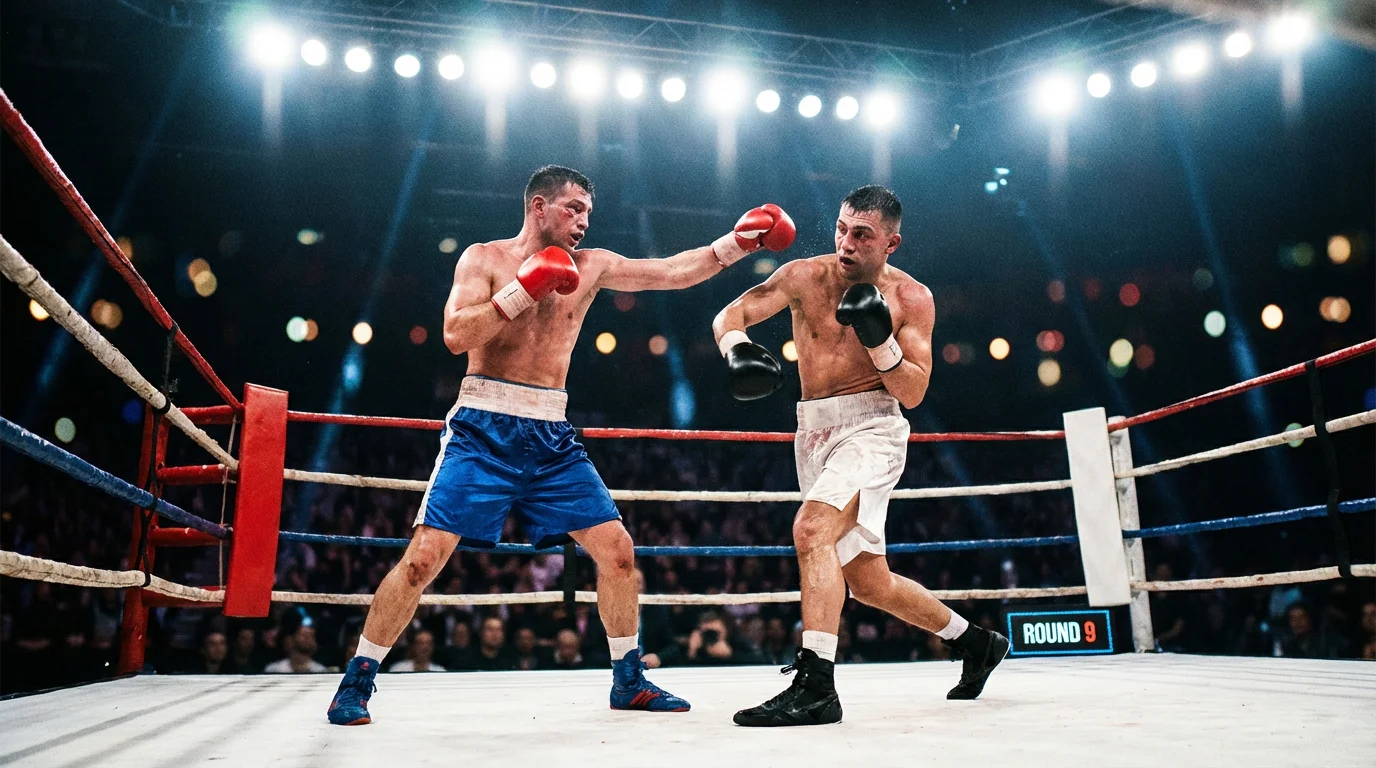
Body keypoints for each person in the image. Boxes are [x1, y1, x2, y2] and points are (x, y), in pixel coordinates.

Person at [327, 164, 796, 725]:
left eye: (589, 212)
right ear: (538, 206)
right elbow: (456, 335)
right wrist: (522, 291)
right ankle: (356, 682)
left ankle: (629, 679)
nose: (583, 221)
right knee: (423, 560)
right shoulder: (485, 258)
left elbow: (670, 272)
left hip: (551, 433)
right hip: (483, 425)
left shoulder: (592, 266)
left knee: (618, 552)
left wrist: (738, 242)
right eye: (574, 208)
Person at [712, 185, 1008, 727]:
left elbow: (914, 391)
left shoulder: (912, 299)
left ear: (891, 242)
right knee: (869, 582)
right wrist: (737, 351)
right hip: (814, 435)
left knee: (811, 531)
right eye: (842, 229)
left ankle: (817, 683)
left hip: (874, 427)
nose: (847, 243)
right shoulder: (805, 276)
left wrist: (879, 341)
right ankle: (975, 643)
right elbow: (729, 315)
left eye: (862, 234)